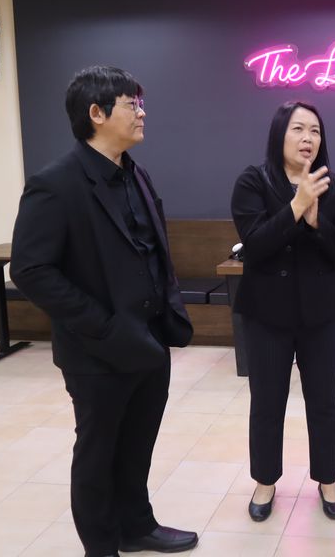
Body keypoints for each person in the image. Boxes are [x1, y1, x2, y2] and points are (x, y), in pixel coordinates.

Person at [10, 66, 198, 557]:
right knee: (98, 452)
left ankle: (136, 527)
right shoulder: (55, 184)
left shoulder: (137, 174)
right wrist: (103, 325)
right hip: (98, 349)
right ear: (96, 113)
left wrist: (166, 313)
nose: (142, 113)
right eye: (131, 104)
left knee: (137, 445)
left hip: (149, 341)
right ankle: (100, 546)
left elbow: (153, 252)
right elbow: (30, 270)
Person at [231, 100, 335, 522]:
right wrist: (295, 208)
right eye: (298, 129)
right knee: (267, 401)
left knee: (324, 401)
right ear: (279, 134)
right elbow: (255, 246)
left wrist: (318, 222)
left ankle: (328, 479)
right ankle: (265, 481)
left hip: (322, 313)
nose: (308, 139)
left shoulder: (333, 185)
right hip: (266, 313)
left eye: (315, 131)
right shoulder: (253, 180)